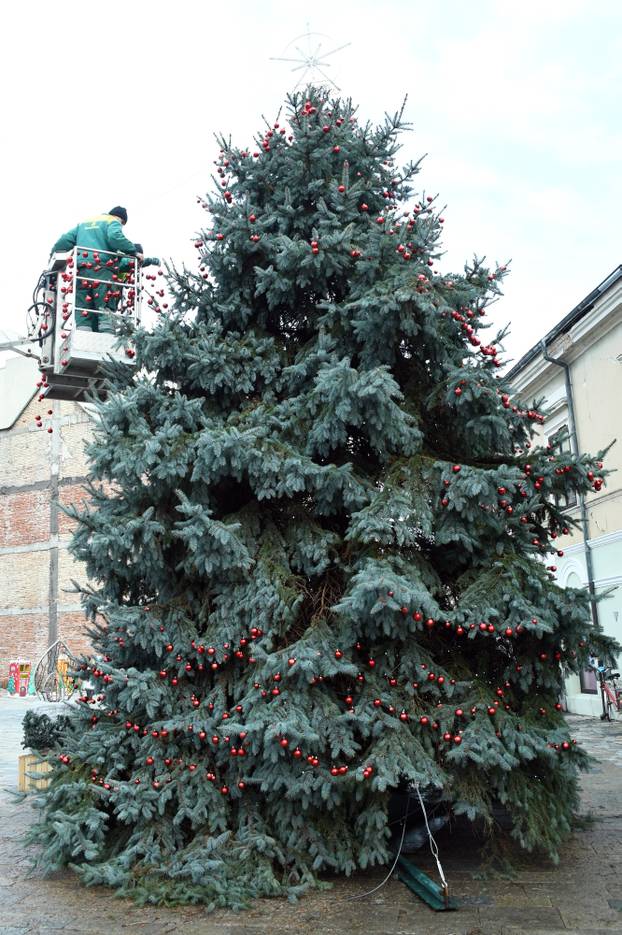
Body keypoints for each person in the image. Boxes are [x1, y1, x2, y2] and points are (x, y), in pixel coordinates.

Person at [50, 207, 143, 332]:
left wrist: (52, 257)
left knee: (83, 310)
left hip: (81, 271)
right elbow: (115, 237)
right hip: (102, 269)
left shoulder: (83, 224)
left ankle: (83, 337)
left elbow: (63, 242)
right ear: (120, 219)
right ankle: (107, 341)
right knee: (105, 310)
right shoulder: (112, 221)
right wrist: (133, 251)